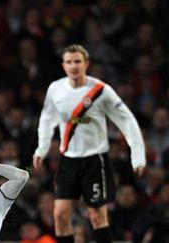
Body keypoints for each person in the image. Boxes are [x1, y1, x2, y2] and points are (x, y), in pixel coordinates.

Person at [32, 44, 146, 243]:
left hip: (95, 160)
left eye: (77, 61)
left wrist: (137, 156)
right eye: (69, 62)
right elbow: (47, 119)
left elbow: (126, 120)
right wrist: (41, 148)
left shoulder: (100, 90)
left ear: (86, 64)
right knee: (60, 215)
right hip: (68, 160)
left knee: (97, 217)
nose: (73, 66)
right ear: (63, 65)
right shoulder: (55, 89)